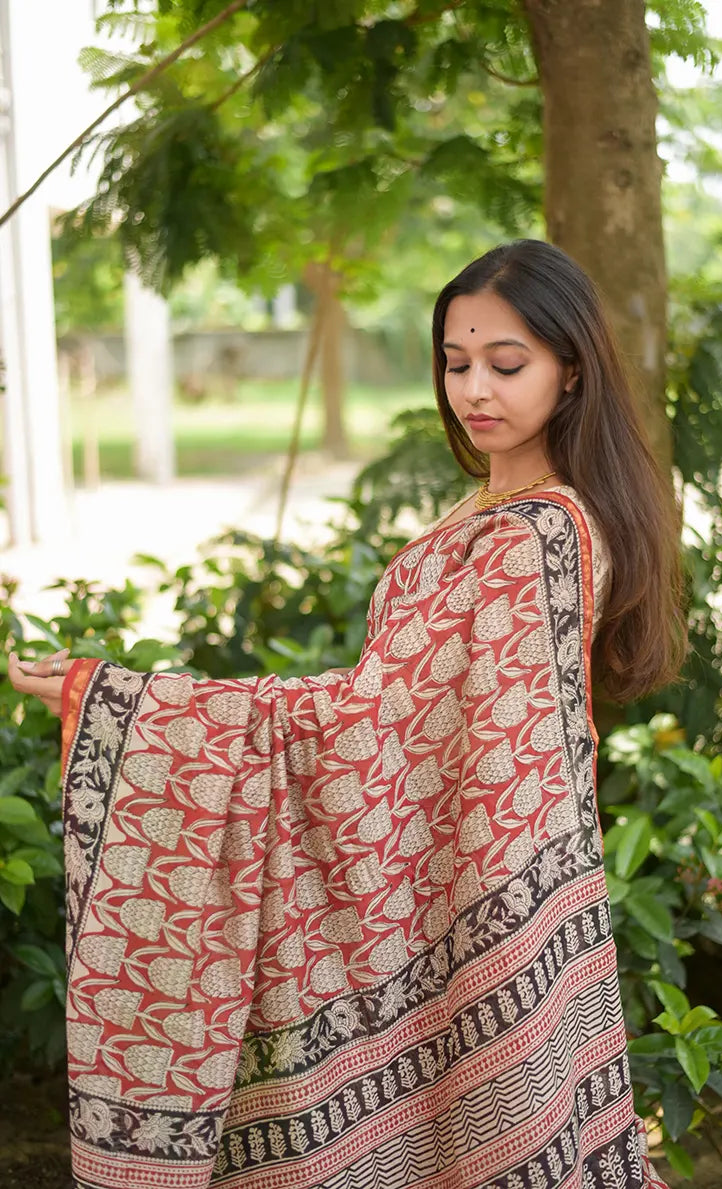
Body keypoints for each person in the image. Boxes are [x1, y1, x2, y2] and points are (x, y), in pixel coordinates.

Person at [9, 240, 684, 1189]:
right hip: (469, 882)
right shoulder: (500, 509)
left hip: (477, 885)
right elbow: (402, 704)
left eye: (507, 363)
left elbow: (377, 720)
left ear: (571, 369)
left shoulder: (533, 536)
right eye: (456, 362)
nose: (474, 389)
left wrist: (129, 703)